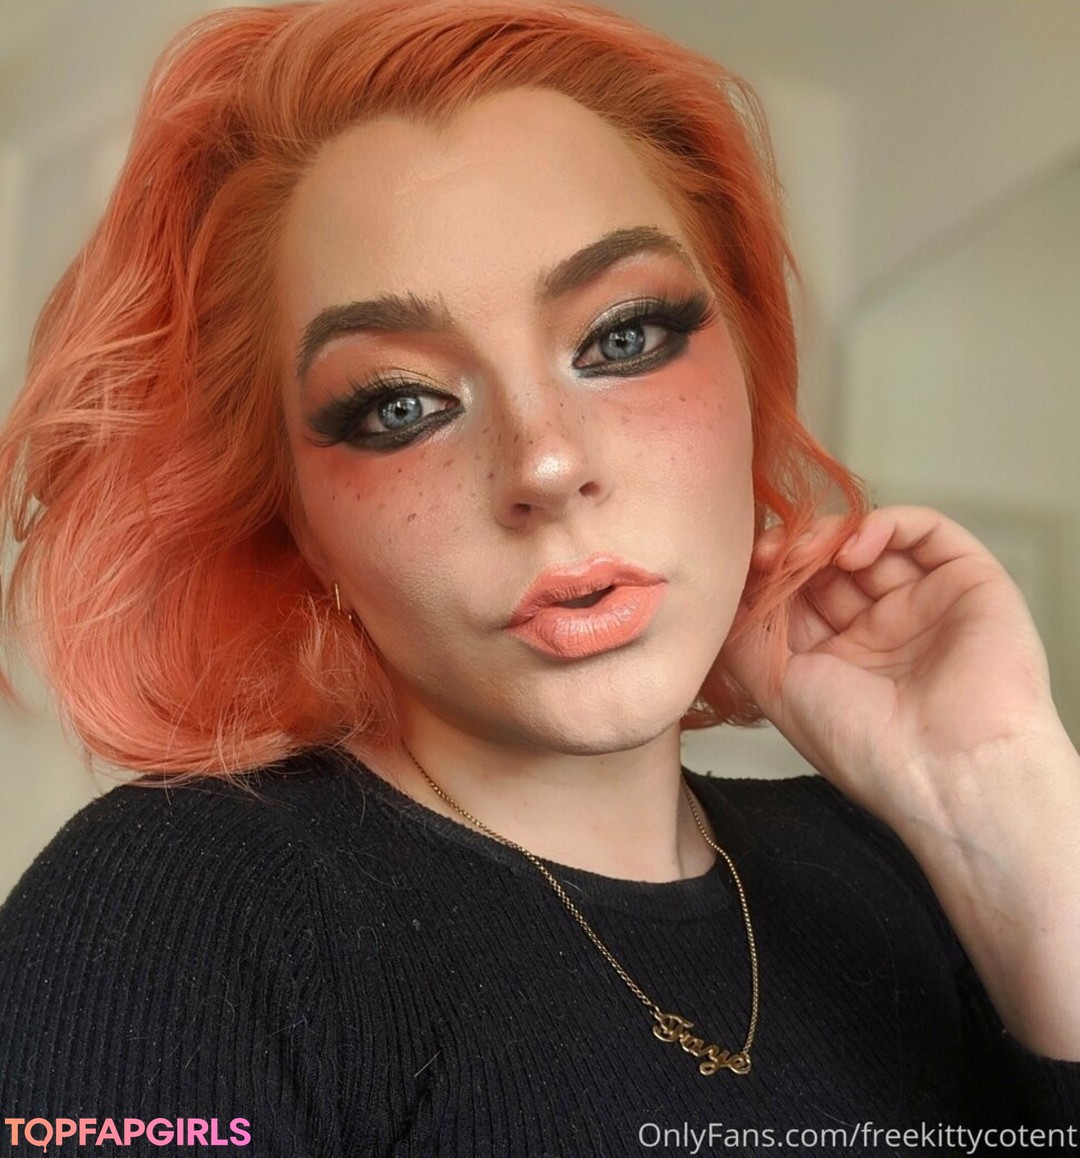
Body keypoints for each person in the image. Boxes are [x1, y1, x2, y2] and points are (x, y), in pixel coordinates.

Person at [1, 0, 1078, 1154]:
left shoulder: (903, 868)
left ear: (753, 366)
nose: (547, 466)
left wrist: (997, 793)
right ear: (300, 520)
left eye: (622, 338)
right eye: (399, 405)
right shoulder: (169, 911)